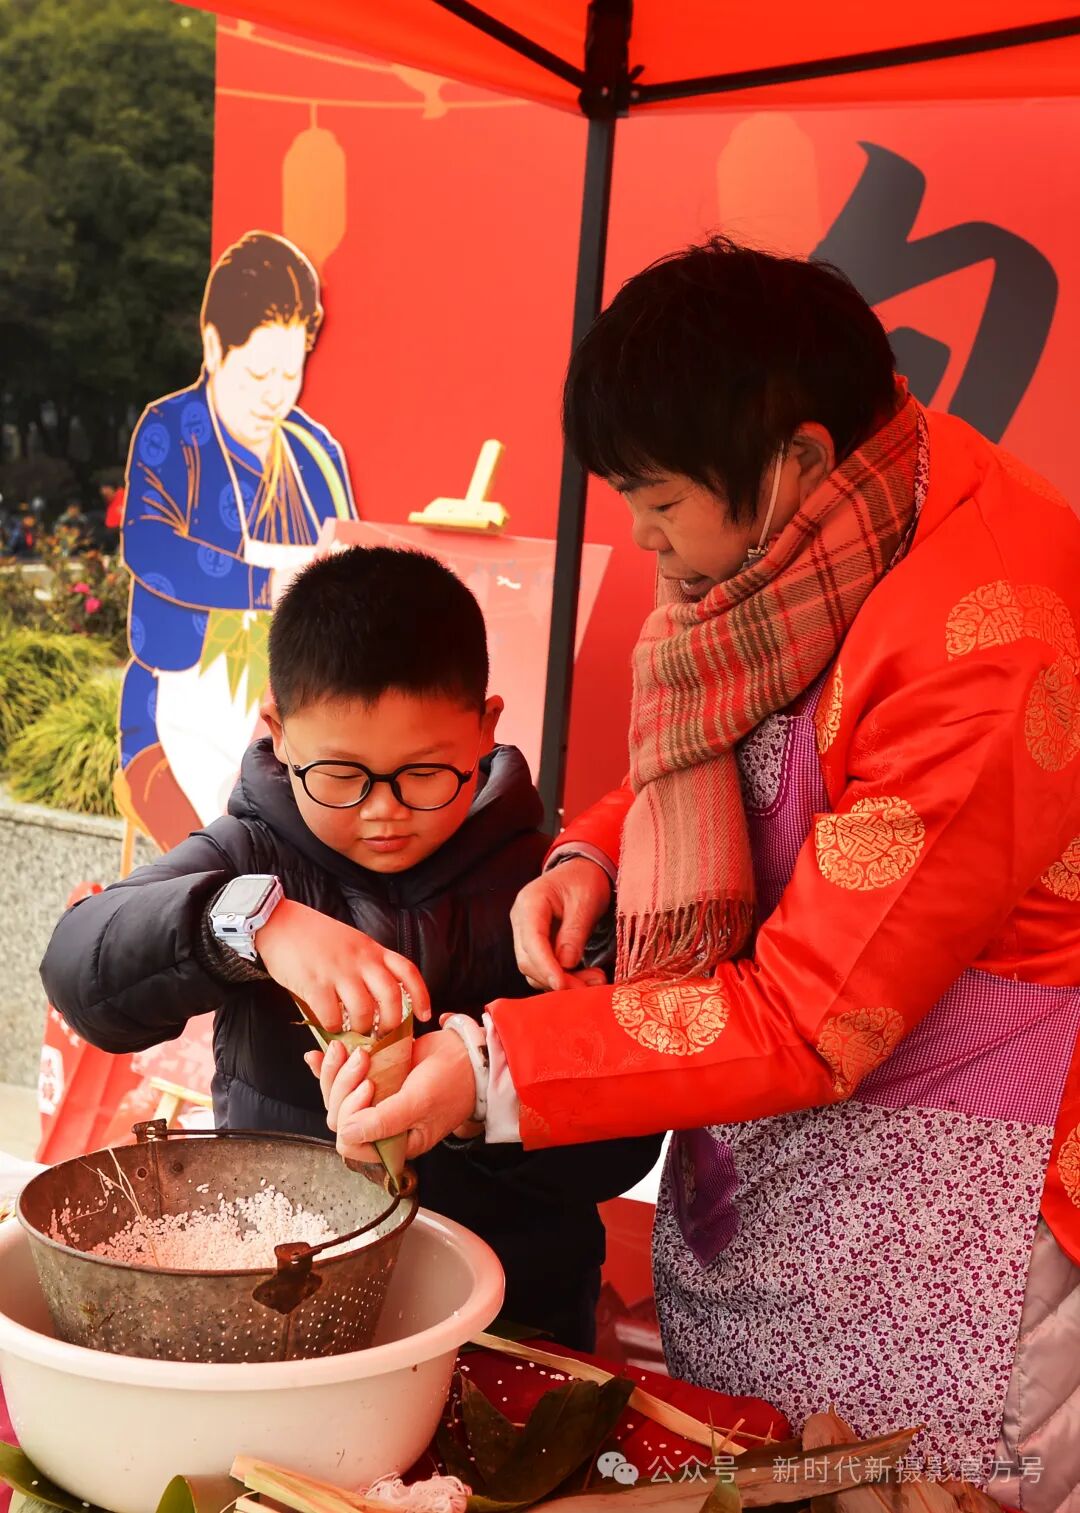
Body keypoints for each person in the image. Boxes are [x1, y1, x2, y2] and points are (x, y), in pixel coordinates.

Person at [313, 240, 1080, 1501]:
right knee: (749, 1455)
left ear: (796, 461)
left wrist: (492, 1067)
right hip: (784, 1146)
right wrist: (598, 849)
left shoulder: (992, 639)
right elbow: (726, 742)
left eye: (660, 500)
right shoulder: (832, 520)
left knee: (901, 1488)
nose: (643, 536)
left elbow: (813, 1013)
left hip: (952, 1189)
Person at [41, 546, 659, 1349]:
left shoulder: (547, 886)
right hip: (294, 1304)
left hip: (515, 1309)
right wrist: (251, 921)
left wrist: (480, 1100)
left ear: (486, 728)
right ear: (278, 732)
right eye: (341, 775)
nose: (383, 812)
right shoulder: (248, 855)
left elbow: (625, 1140)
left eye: (424, 773)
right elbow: (79, 968)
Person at [116, 230, 357, 851]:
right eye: (257, 373)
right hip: (169, 716)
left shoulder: (315, 454)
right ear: (213, 346)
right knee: (217, 861)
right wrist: (269, 583)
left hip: (290, 726)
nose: (275, 394)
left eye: (290, 373)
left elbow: (350, 564)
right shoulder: (173, 431)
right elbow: (151, 547)